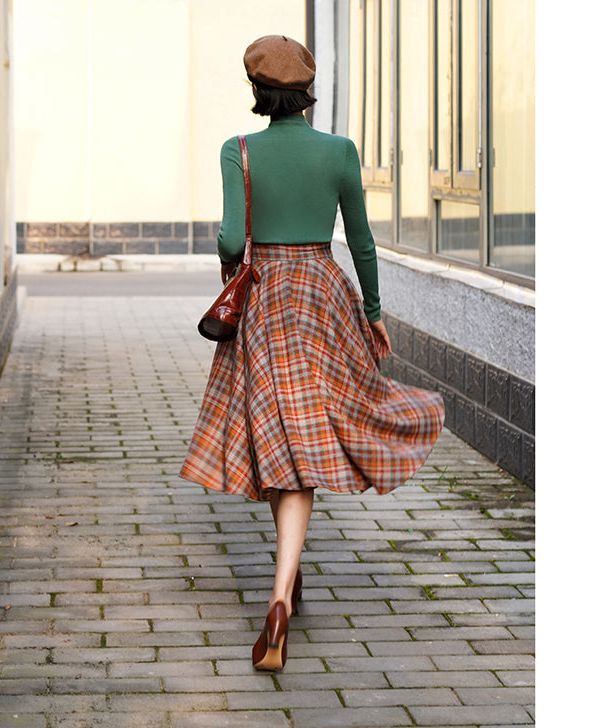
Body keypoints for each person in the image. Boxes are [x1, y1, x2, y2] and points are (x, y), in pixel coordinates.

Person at [180, 35, 445, 672]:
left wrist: (230, 255)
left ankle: (278, 596)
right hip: (324, 296)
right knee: (301, 436)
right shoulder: (340, 151)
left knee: (278, 431)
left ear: (257, 92)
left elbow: (229, 236)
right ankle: (287, 581)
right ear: (307, 90)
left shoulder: (237, 150)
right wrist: (374, 314)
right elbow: (362, 242)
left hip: (266, 299)